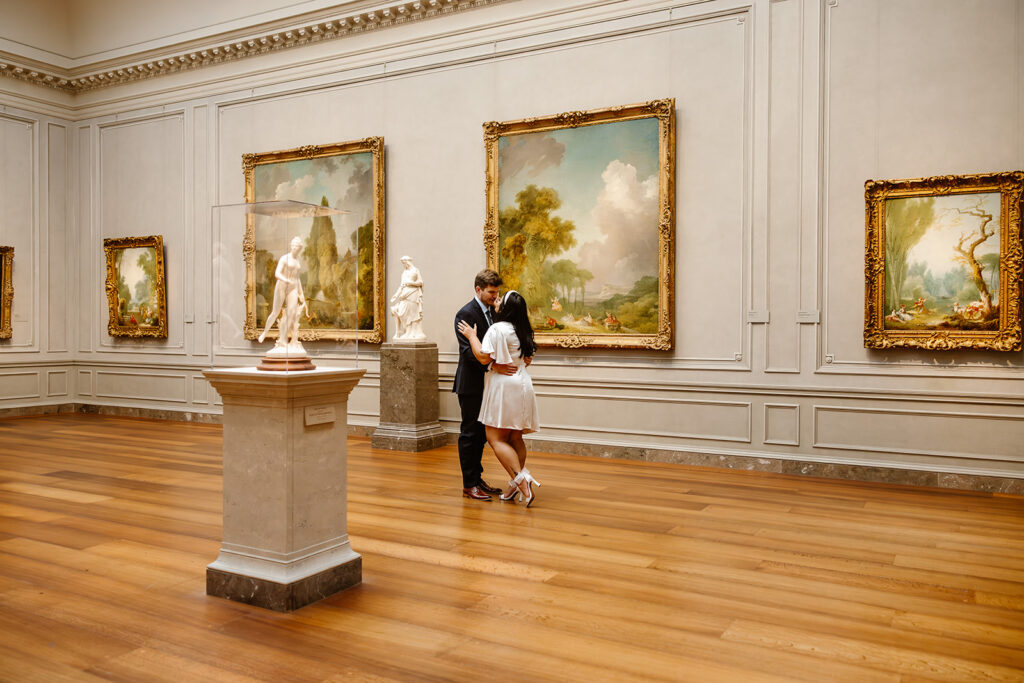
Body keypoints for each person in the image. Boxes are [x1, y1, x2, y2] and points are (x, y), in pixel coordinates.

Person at [457, 290, 541, 507]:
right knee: (515, 438)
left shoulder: (497, 329)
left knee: (495, 439)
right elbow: (528, 359)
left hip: (504, 386)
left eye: (501, 299)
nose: (497, 300)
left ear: (507, 308)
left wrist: (472, 336)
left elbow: (483, 356)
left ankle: (522, 480)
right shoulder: (523, 329)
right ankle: (515, 483)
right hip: (523, 383)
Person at [453, 269, 516, 500]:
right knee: (469, 434)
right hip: (471, 385)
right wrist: (493, 366)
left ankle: (477, 479)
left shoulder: (493, 311)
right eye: (491, 292)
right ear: (478, 289)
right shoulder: (465, 314)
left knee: (481, 435)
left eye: (497, 292)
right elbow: (469, 353)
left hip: (489, 385)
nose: (494, 296)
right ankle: (469, 485)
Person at [258, 236, 306, 348]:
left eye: (297, 246)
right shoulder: (285, 258)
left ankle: (283, 340)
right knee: (275, 312)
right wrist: (286, 280)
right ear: (291, 246)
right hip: (282, 286)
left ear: (300, 248)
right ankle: (265, 333)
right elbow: (277, 273)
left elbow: (297, 278)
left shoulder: (298, 261)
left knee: (292, 313)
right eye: (293, 245)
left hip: (293, 287)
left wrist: (301, 293)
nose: (295, 248)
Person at [390, 256, 425, 340]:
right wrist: (396, 295)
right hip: (404, 294)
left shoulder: (416, 270)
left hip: (413, 293)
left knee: (412, 314)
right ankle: (407, 331)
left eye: (404, 263)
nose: (404, 265)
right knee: (403, 312)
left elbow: (421, 282)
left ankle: (411, 333)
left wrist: (411, 283)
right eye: (403, 263)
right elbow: (401, 285)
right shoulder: (404, 272)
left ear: (408, 262)